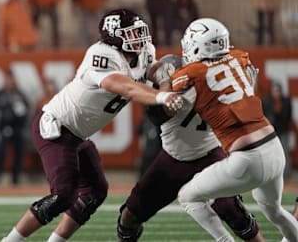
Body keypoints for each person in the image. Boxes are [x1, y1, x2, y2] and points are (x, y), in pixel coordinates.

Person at [0, 9, 184, 242]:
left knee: (95, 192)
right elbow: (123, 86)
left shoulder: (143, 51)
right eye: (133, 33)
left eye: (140, 31)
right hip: (57, 128)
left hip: (78, 135)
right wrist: (161, 96)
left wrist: (165, 78)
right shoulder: (101, 54)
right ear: (115, 36)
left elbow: (151, 71)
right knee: (62, 196)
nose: (140, 37)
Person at [170, 18, 298, 241]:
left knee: (188, 196)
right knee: (275, 212)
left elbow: (177, 104)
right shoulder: (240, 58)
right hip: (274, 148)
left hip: (247, 158)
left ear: (198, 45)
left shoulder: (191, 74)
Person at [117, 58, 263, 242]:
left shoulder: (211, 83)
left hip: (209, 156)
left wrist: (244, 91)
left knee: (231, 210)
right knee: (129, 217)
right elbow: (156, 115)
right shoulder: (170, 87)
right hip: (172, 159)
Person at [0, 69, 30, 185]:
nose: (9, 81)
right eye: (7, 79)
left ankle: (16, 176)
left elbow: (26, 109)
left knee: (19, 150)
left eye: (10, 79)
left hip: (17, 127)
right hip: (3, 127)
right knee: (1, 151)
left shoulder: (19, 94)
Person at [261, 81, 293, 178]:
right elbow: (264, 116)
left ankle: (286, 175)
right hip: (270, 132)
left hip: (283, 131)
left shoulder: (286, 101)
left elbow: (288, 116)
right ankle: (271, 174)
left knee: (285, 152)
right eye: (275, 91)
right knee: (269, 154)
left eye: (278, 91)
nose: (276, 93)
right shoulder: (266, 101)